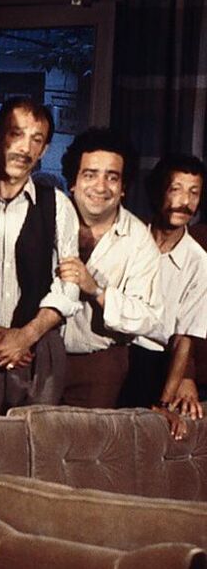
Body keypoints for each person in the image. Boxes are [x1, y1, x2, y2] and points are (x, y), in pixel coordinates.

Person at [0, 97, 80, 415]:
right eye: (16, 134)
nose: (25, 148)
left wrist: (26, 336)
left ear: (44, 150)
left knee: (36, 442)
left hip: (38, 354)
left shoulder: (58, 205)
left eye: (36, 140)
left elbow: (69, 287)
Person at [59, 127, 163, 409]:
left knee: (86, 437)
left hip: (100, 364)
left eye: (112, 177)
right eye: (90, 175)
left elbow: (150, 318)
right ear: (73, 182)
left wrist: (97, 291)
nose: (101, 187)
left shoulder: (139, 240)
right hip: (40, 357)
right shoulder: (49, 217)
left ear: (124, 187)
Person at [121, 154, 207, 438]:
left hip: (155, 362)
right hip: (114, 352)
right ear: (158, 191)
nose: (185, 201)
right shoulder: (131, 238)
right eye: (176, 189)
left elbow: (184, 339)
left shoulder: (198, 262)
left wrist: (164, 402)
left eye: (194, 192)